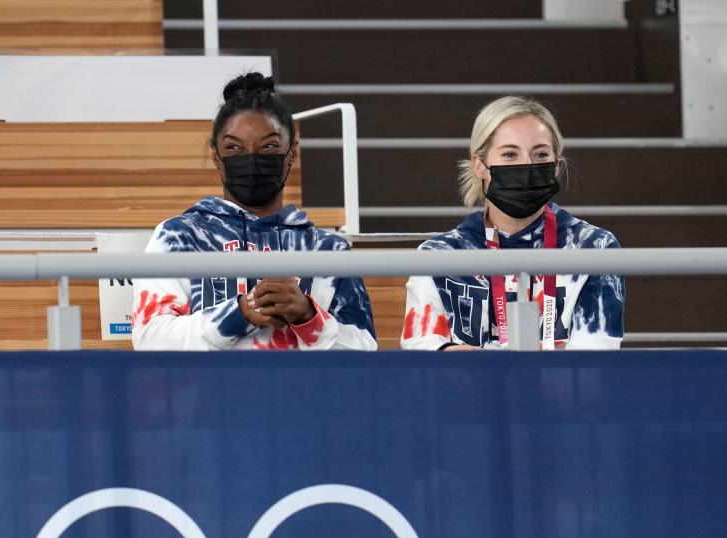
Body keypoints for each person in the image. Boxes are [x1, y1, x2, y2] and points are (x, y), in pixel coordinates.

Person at [131, 73, 377, 350]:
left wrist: (308, 317)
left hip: (302, 392)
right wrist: (239, 313)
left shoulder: (329, 249)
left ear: (292, 152)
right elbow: (150, 340)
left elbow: (364, 350)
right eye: (234, 148)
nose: (251, 159)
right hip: (209, 392)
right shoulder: (179, 236)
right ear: (216, 156)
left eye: (269, 146)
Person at [400, 96, 625, 351]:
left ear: (556, 166)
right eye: (509, 154)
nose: (527, 165)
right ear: (479, 165)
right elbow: (421, 349)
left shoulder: (595, 248)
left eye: (540, 154)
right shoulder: (438, 255)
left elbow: (595, 357)